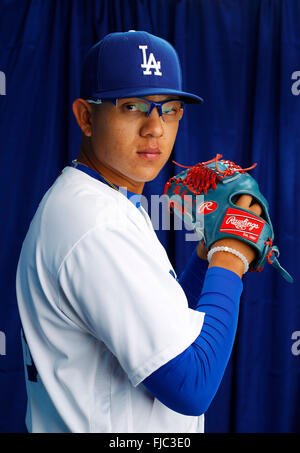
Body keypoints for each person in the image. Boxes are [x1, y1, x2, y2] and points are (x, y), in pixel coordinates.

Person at [16, 31, 262, 433]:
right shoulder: (95, 224)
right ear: (85, 117)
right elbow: (191, 386)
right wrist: (231, 256)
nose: (155, 128)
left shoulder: (105, 199)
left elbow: (165, 326)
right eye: (132, 106)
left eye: (169, 109)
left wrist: (206, 256)